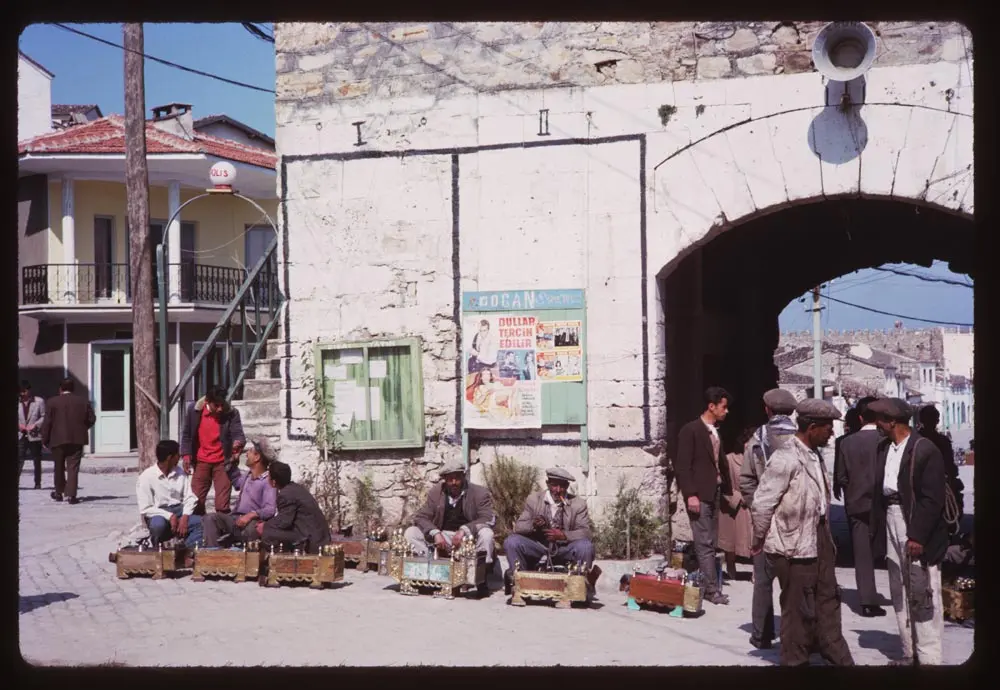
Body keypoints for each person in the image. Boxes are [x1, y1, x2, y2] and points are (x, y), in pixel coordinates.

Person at [750, 398, 854, 667]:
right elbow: (762, 504)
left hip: (819, 539)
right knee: (798, 610)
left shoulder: (814, 456)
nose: (831, 432)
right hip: (792, 545)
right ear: (810, 427)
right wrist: (759, 539)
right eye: (827, 427)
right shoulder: (785, 458)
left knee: (828, 599)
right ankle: (795, 662)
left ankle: (835, 652)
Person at [869, 398, 949, 666]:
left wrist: (917, 536)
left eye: (879, 419)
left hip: (913, 524)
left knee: (922, 590)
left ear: (892, 422)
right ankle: (908, 652)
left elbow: (931, 499)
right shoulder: (883, 449)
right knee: (899, 590)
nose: (876, 424)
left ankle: (929, 660)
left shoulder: (925, 450)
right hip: (891, 518)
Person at [740, 387, 798, 649]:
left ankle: (761, 635)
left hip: (766, 519)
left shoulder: (757, 439)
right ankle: (794, 635)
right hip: (797, 518)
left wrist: (758, 506)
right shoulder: (802, 438)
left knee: (763, 580)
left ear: (767, 409)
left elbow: (746, 481)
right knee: (795, 581)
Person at [675, 386, 733, 605]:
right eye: (723, 407)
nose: (726, 411)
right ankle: (711, 590)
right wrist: (691, 495)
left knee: (711, 540)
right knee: (704, 541)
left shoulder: (716, 430)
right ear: (712, 406)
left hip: (714, 491)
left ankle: (706, 582)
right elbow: (683, 466)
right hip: (699, 494)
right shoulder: (690, 431)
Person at [405, 460, 496, 596]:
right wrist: (435, 532)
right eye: (450, 479)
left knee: (487, 533)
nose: (454, 482)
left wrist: (464, 530)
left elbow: (488, 518)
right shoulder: (436, 493)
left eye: (457, 478)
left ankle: (480, 578)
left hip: (469, 539)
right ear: (445, 480)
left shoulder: (479, 493)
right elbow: (421, 517)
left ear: (463, 477)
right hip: (444, 537)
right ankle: (428, 572)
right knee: (411, 532)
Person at [833, 396, 887, 617]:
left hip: (856, 503)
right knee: (891, 551)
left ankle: (867, 600)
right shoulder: (886, 441)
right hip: (884, 504)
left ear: (861, 417)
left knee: (861, 552)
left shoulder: (846, 442)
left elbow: (841, 477)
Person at [503, 467, 596, 593]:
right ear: (547, 484)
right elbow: (519, 527)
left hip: (565, 548)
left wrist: (564, 535)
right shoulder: (534, 499)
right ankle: (520, 584)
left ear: (567, 486)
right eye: (554, 485)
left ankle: (579, 589)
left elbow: (586, 532)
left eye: (562, 486)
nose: (558, 490)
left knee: (585, 546)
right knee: (512, 541)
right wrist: (533, 525)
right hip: (538, 546)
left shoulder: (578, 504)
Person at [180, 385, 246, 516]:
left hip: (223, 462)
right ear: (207, 402)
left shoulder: (231, 413)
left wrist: (237, 443)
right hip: (201, 461)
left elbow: (238, 434)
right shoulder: (194, 411)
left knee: (222, 504)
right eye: (216, 405)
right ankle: (199, 530)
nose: (220, 408)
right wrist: (186, 456)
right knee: (196, 501)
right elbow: (187, 435)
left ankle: (222, 529)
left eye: (222, 404)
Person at [202, 438, 278, 547]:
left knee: (253, 528)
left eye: (250, 451)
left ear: (257, 457)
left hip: (252, 522)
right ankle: (213, 555)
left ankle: (248, 558)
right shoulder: (248, 476)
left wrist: (250, 515)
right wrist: (233, 459)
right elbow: (236, 480)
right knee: (210, 519)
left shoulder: (268, 481)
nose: (246, 454)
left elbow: (270, 510)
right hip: (236, 519)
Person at [136, 440, 204, 547]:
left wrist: (185, 516)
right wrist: (170, 516)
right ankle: (157, 547)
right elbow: (146, 508)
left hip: (180, 511)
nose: (179, 458)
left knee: (201, 523)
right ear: (169, 457)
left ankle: (186, 550)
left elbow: (190, 497)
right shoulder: (147, 477)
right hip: (158, 514)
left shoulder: (180, 473)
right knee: (158, 526)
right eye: (177, 455)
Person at [256, 461, 332, 554]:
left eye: (269, 476)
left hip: (309, 539)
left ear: (274, 482)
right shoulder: (295, 488)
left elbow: (284, 522)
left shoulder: (286, 495)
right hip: (316, 535)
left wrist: (265, 526)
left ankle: (284, 560)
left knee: (267, 534)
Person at [41, 378, 96, 505]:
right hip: (77, 439)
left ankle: (59, 492)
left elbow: (47, 422)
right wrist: (82, 427)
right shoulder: (82, 401)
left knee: (58, 467)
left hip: (57, 439)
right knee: (73, 468)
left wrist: (44, 439)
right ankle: (71, 495)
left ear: (60, 389)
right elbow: (92, 418)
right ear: (73, 388)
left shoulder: (52, 402)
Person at [719, 425, 755, 581]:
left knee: (755, 539)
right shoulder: (729, 459)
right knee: (731, 539)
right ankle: (731, 566)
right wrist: (735, 497)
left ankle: (756, 571)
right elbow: (722, 483)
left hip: (752, 505)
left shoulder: (759, 462)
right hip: (734, 506)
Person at [917, 405, 964, 516]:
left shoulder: (915, 440)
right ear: (937, 421)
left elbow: (950, 467)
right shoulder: (941, 441)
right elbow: (950, 467)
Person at [18, 381, 46, 490]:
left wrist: (35, 425)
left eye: (24, 391)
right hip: (21, 435)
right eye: (21, 392)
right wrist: (18, 425)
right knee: (19, 459)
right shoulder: (16, 402)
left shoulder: (39, 401)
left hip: (35, 435)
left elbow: (44, 416)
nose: (22, 394)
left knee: (37, 460)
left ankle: (37, 483)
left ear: (29, 390)